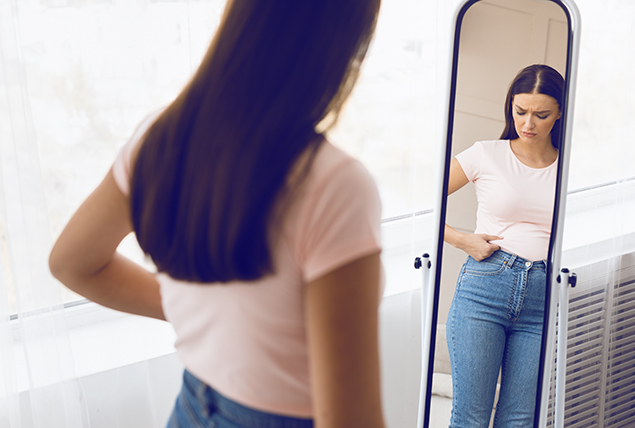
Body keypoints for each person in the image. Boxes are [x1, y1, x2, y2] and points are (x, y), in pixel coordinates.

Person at [49, 2, 386, 428]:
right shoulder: (335, 184)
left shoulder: (158, 138)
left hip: (191, 409)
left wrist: (202, 308)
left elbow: (71, 263)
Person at [444, 64, 564, 428]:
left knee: (519, 420)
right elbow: (420, 203)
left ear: (559, 113)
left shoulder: (572, 169)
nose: (528, 123)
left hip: (545, 297)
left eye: (541, 114)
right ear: (510, 106)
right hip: (485, 288)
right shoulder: (486, 154)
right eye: (520, 111)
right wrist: (462, 239)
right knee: (472, 417)